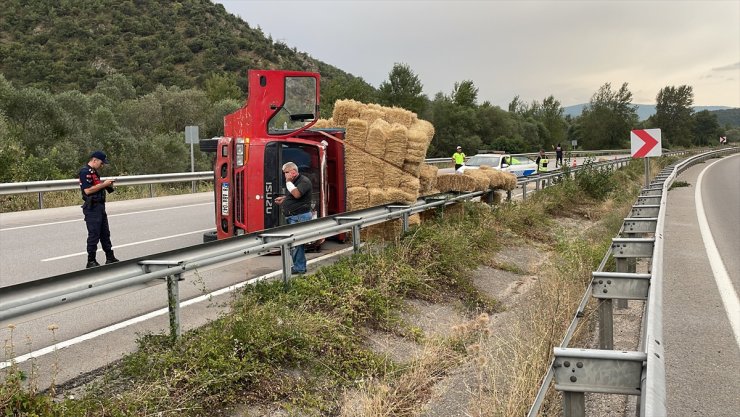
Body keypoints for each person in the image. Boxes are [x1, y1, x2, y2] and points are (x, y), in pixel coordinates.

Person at [79, 150, 119, 268]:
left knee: (105, 233)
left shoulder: (94, 172)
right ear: (94, 160)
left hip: (100, 207)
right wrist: (104, 184)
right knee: (94, 234)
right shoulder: (85, 172)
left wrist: (107, 185)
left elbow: (96, 186)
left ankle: (110, 257)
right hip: (92, 208)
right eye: (101, 163)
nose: (102, 166)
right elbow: (88, 190)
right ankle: (91, 260)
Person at [274, 162, 313, 274]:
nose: (285, 175)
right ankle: (298, 266)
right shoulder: (296, 182)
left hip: (299, 217)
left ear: (293, 172)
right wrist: (285, 199)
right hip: (294, 216)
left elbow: (297, 194)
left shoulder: (303, 181)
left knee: (296, 243)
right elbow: (293, 196)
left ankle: (299, 268)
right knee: (295, 244)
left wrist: (288, 182)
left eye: (286, 172)